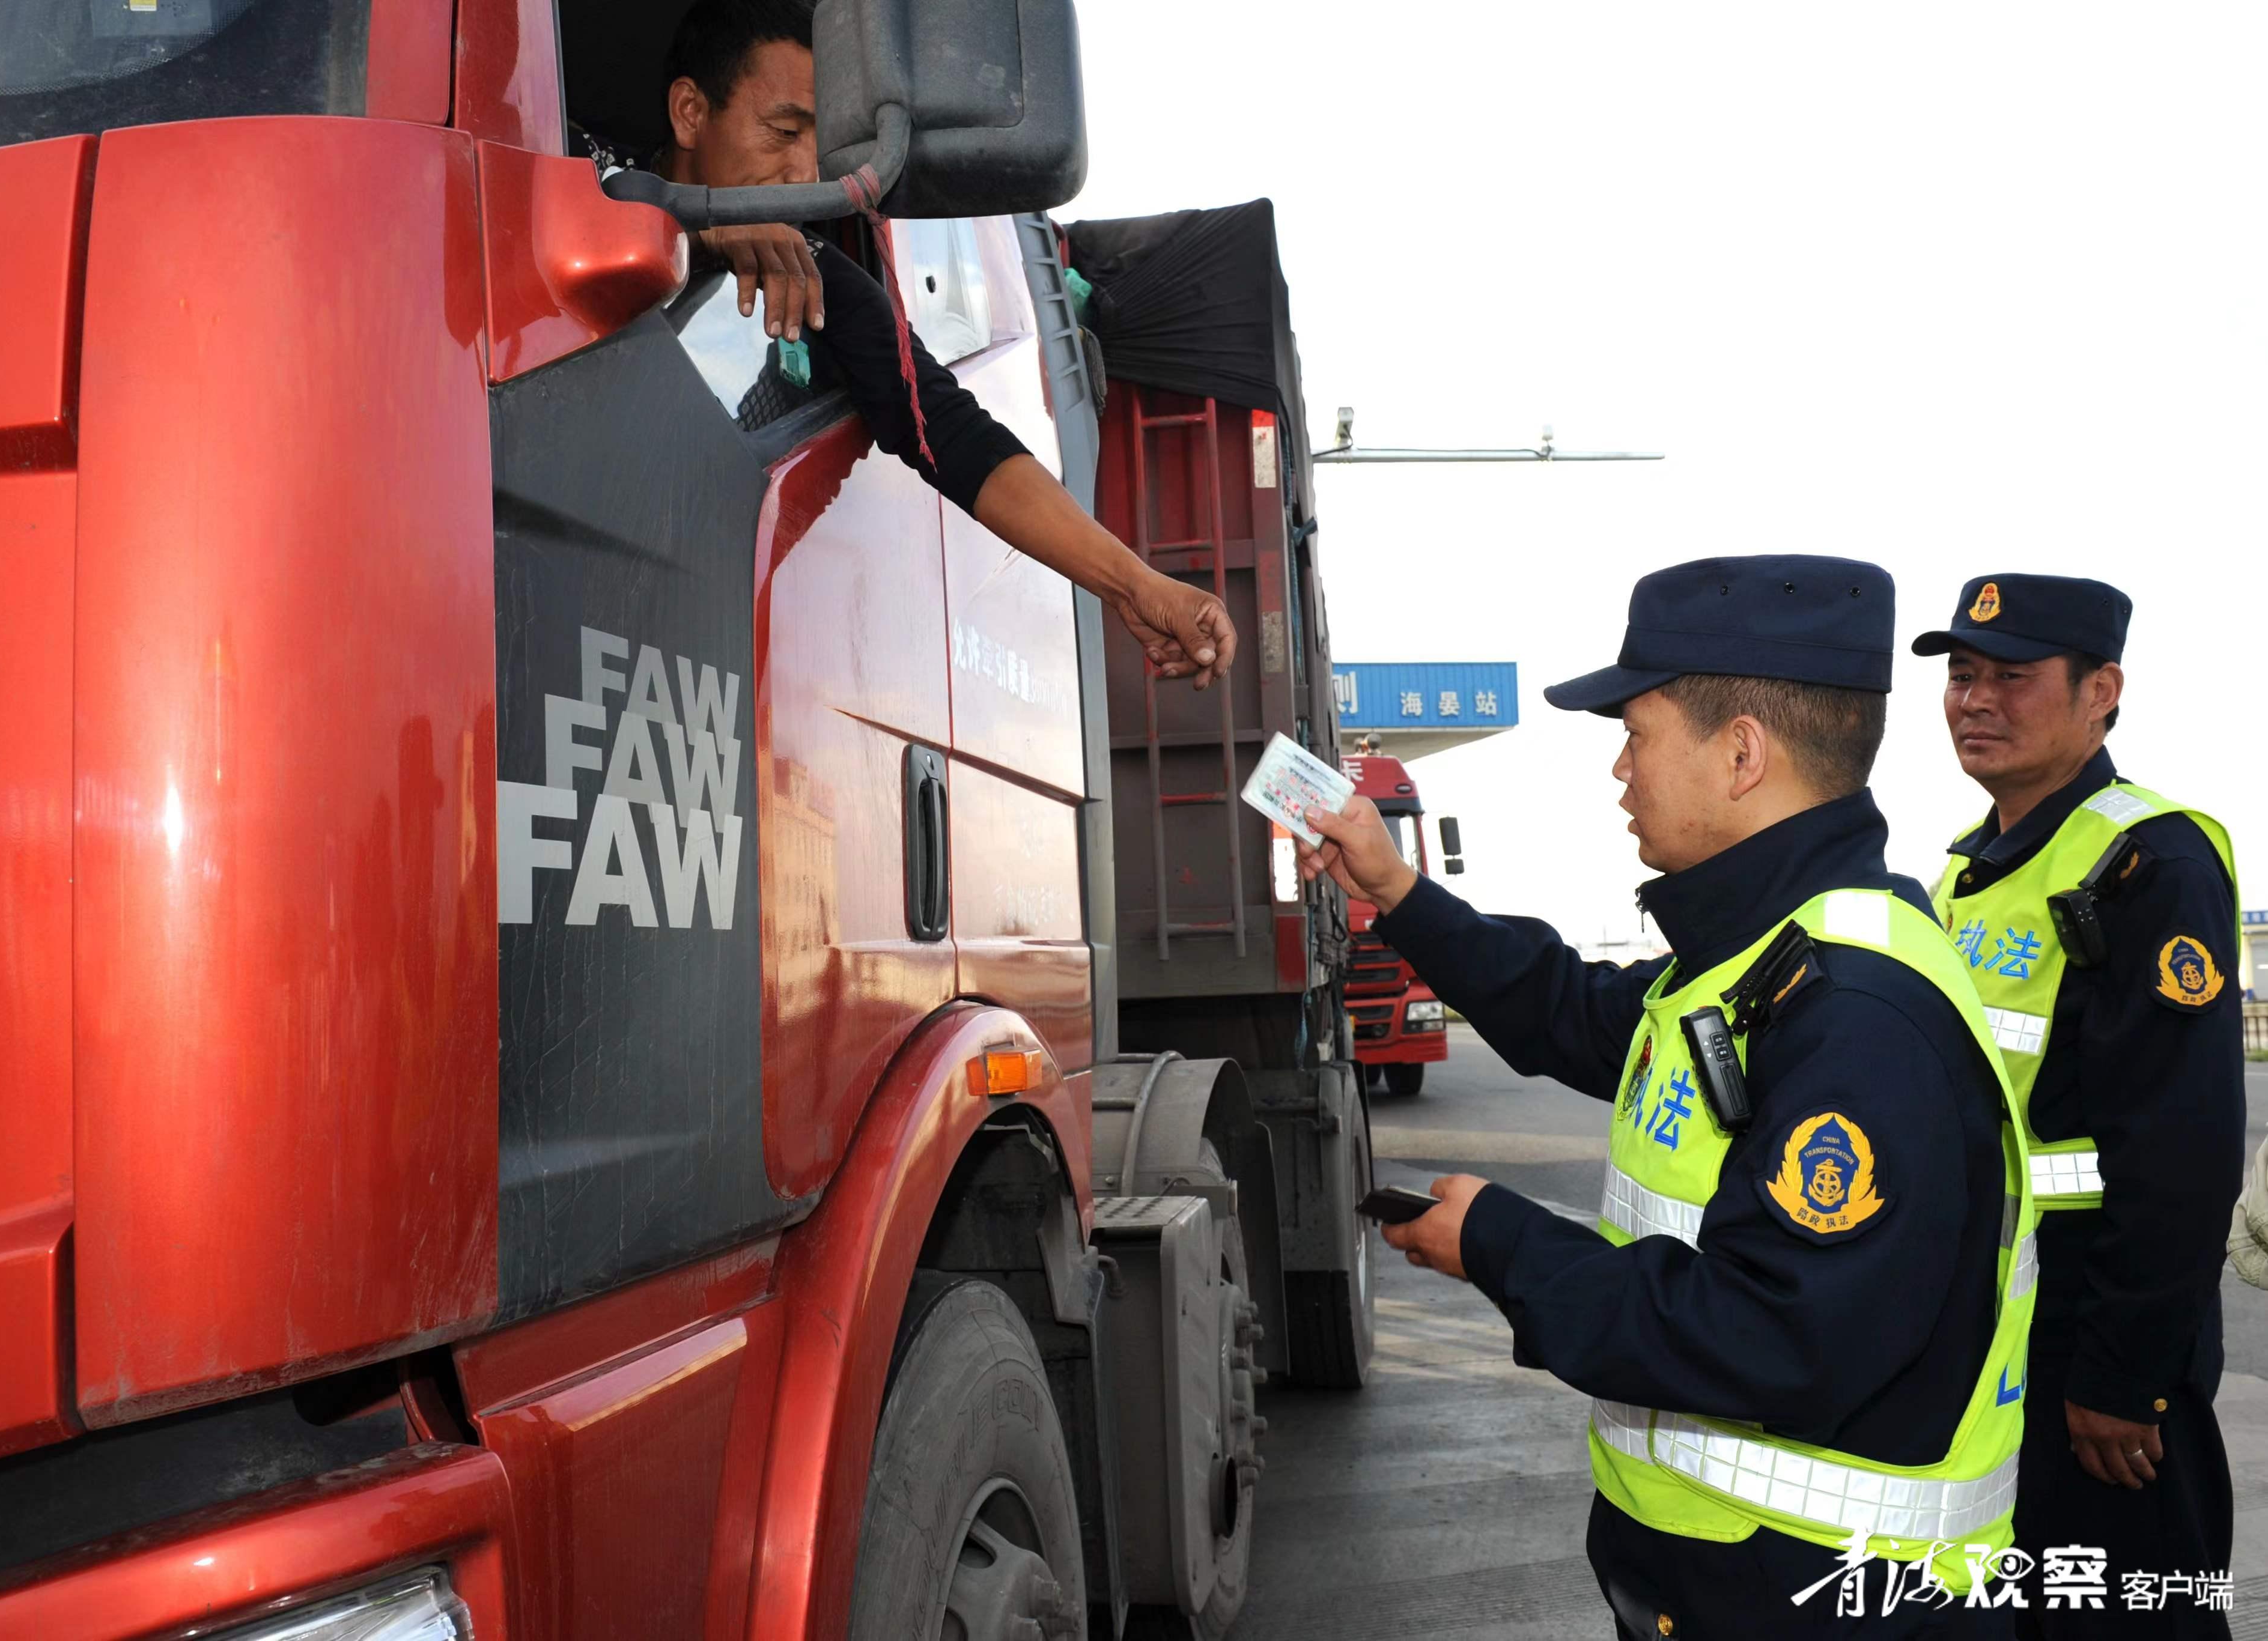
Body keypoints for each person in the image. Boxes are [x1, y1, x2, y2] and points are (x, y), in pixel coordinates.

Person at [1299, 556, 2034, 1637]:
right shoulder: (1752, 961)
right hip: (1732, 1584)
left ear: (1742, 751)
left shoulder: (1855, 1012)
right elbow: (1571, 1009)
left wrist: (1503, 1242)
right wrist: (1394, 887)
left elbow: (1777, 1335)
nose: (1620, 770)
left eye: (1636, 732)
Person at [645, 0, 1233, 690]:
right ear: (690, 112)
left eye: (820, 140)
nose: (807, 171)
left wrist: (1134, 584)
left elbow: (959, 440)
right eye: (782, 132)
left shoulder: (823, 281)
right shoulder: (579, 178)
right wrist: (683, 228)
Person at [1914, 575, 2243, 1635]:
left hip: (2090, 1343)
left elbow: (2181, 1151)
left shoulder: (2147, 861)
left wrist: (2121, 1371)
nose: (1975, 699)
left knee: (2134, 1610)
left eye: (2012, 677)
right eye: (1962, 675)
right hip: (1995, 1331)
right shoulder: (1971, 867)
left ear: (2102, 689)